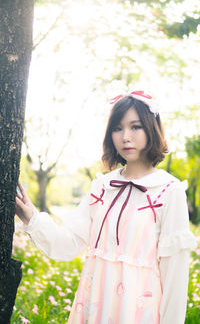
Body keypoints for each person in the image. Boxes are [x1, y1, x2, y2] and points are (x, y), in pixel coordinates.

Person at [16, 90, 197, 324]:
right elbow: (70, 242)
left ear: (152, 128)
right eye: (117, 128)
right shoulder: (102, 186)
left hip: (138, 311)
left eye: (135, 126)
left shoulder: (169, 190)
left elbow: (175, 274)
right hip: (93, 306)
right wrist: (32, 219)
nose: (125, 137)